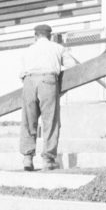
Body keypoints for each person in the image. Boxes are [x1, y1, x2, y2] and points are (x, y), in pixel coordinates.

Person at [18, 23, 77, 171]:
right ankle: (48, 160)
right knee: (50, 121)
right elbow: (73, 66)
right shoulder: (58, 48)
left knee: (28, 120)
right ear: (49, 36)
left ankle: (27, 158)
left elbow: (21, 72)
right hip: (48, 80)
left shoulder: (29, 50)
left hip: (29, 81)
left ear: (35, 36)